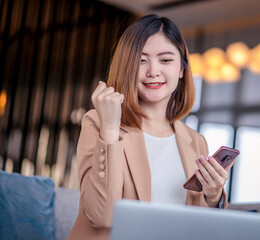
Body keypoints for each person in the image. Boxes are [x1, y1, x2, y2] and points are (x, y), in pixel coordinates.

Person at [67, 14, 230, 240]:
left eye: (165, 60)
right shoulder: (97, 122)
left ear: (181, 70)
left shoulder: (196, 141)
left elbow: (197, 229)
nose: (153, 71)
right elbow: (101, 216)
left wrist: (214, 199)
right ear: (127, 67)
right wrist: (110, 131)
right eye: (141, 60)